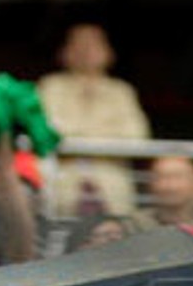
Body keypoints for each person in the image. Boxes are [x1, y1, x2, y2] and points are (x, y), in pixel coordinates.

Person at [36, 22, 151, 219]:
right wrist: (104, 135)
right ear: (65, 52)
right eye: (79, 45)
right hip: (61, 185)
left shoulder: (122, 91)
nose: (86, 51)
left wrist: (76, 134)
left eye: (94, 45)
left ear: (109, 53)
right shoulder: (49, 86)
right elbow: (48, 131)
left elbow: (137, 134)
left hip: (111, 185)